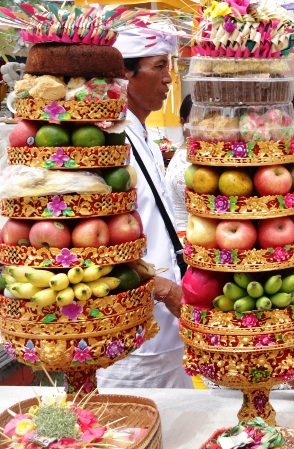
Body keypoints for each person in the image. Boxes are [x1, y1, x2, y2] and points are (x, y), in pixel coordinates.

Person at [99, 25, 192, 388]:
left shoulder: (145, 137)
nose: (169, 78)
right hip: (135, 332)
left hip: (167, 322)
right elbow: (95, 240)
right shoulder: (107, 140)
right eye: (159, 66)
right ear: (125, 73)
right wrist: (164, 288)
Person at [164, 95, 194, 231]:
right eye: (197, 118)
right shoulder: (185, 163)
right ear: (183, 122)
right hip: (188, 239)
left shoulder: (193, 155)